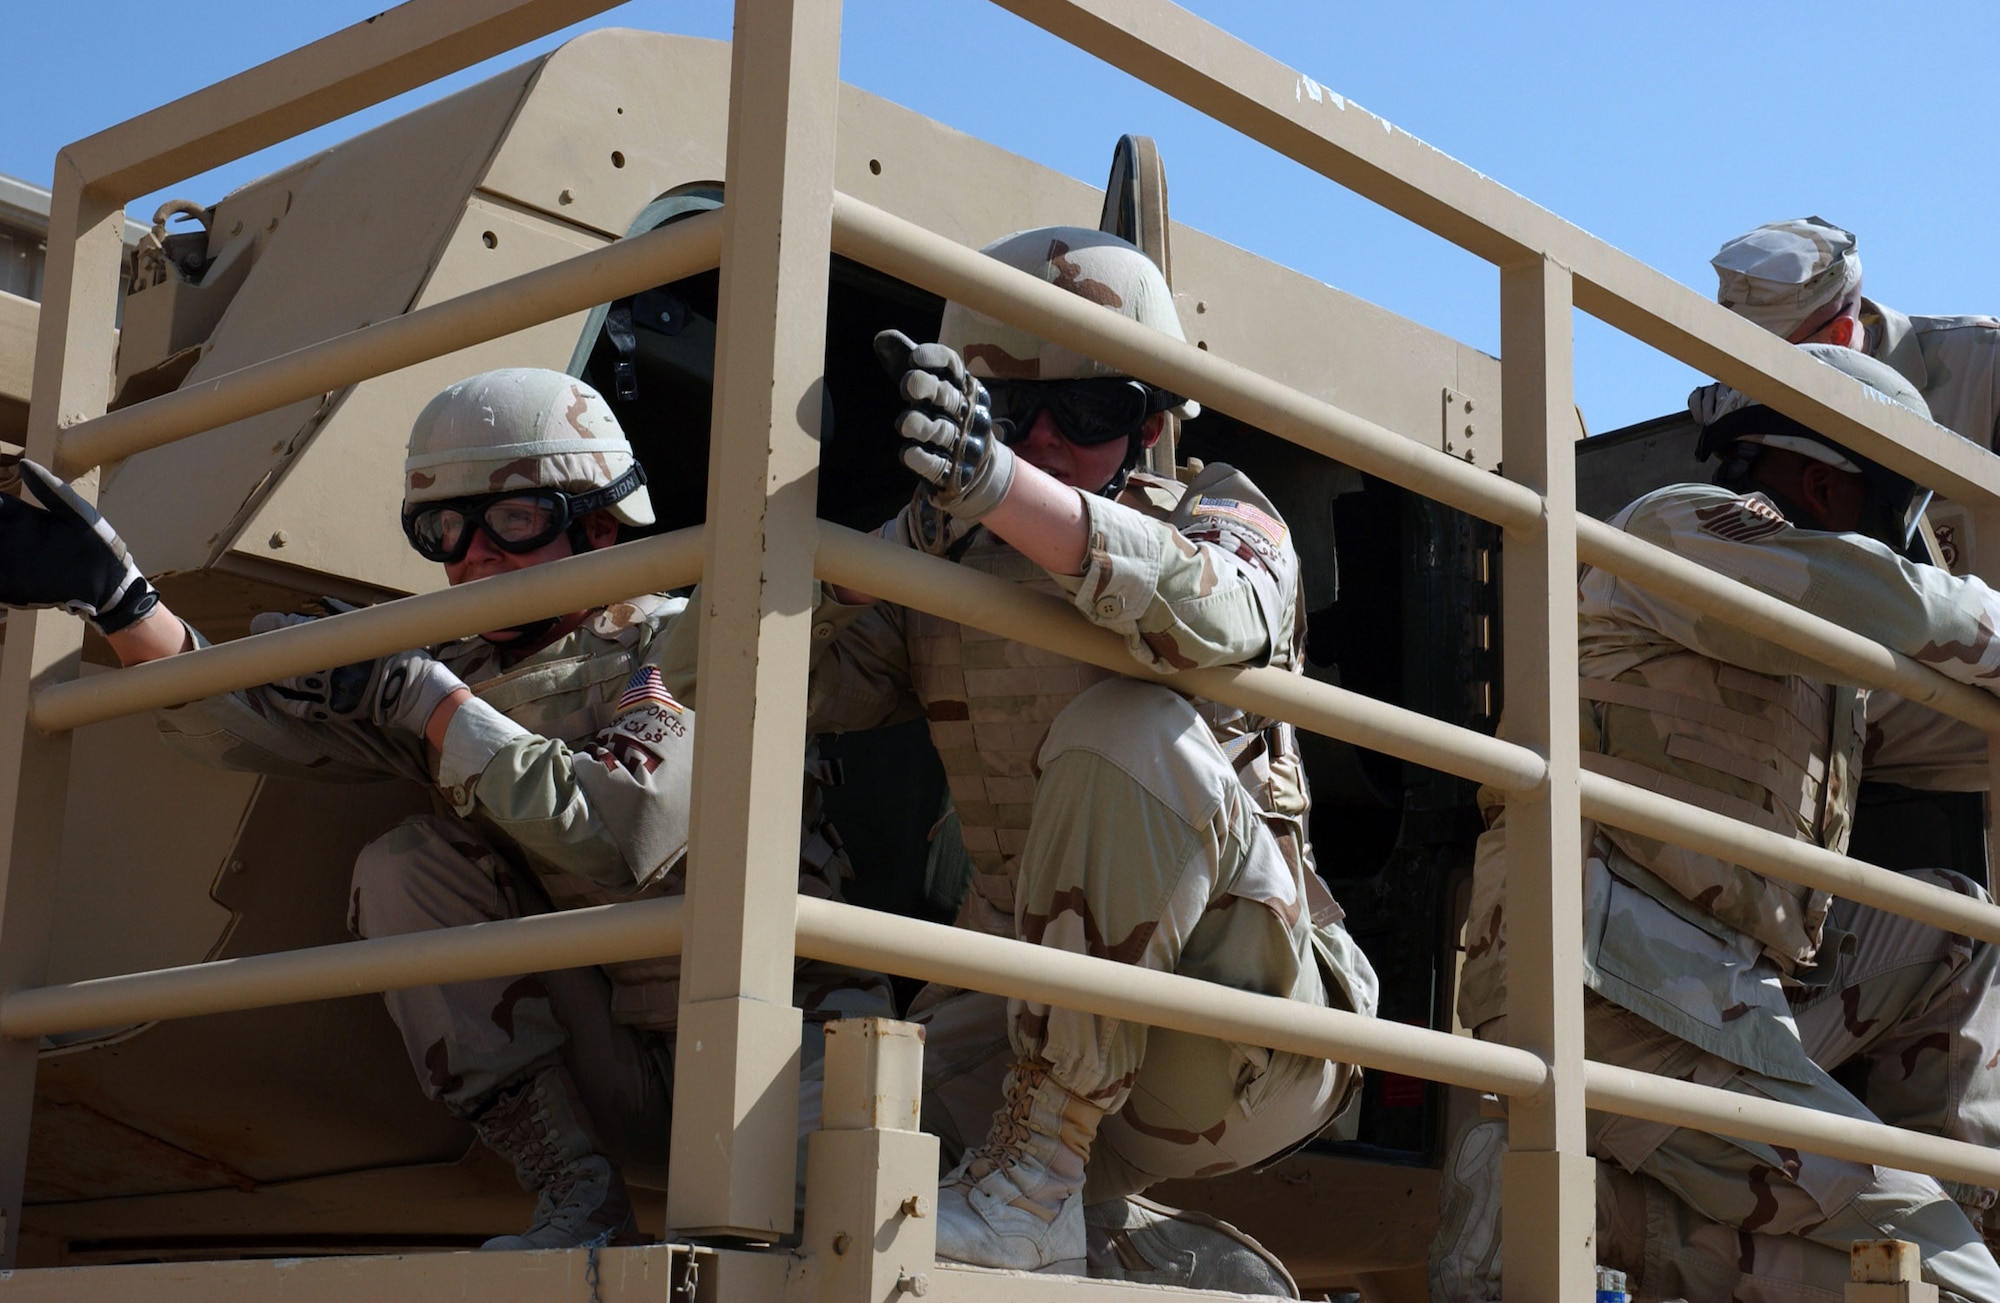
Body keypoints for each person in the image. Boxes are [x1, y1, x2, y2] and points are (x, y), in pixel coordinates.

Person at [0, 367, 889, 1250]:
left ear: (602, 522)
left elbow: (619, 832)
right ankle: (575, 1191)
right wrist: (121, 604)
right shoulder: (455, 671)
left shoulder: (686, 633)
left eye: (513, 519)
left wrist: (428, 700)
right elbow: (239, 727)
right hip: (614, 1067)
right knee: (405, 866)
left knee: (820, 1261)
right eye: (444, 529)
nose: (475, 555)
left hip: (783, 1062)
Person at [798, 225, 1379, 1282]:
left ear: (1153, 421)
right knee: (819, 1156)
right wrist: (894, 550)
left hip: (1235, 1022)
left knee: (1125, 731)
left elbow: (1219, 613)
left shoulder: (1220, 513)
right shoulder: (942, 558)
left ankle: (1034, 1186)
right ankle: (1126, 1245)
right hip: (1014, 1017)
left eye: (1096, 410)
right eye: (1013, 414)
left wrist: (996, 490)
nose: (1051, 441)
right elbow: (718, 680)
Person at [1431, 344, 2000, 1302]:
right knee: (1946, 1285)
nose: (1904, 543)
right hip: (1609, 990)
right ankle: (1611, 1213)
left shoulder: (1808, 663)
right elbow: (1894, 603)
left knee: (1956, 925)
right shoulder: (1681, 532)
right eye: (1898, 511)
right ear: (1824, 481)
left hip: (1720, 993)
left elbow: (1950, 728)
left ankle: (1628, 1207)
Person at [1713, 216, 2000, 453]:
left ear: (1838, 336)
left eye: (1771, 359)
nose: (1754, 376)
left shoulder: (1985, 367)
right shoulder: (1752, 408)